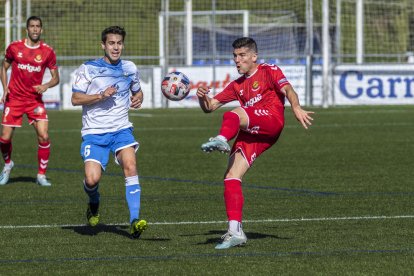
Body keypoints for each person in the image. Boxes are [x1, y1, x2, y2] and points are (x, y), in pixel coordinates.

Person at [197, 37, 314, 249]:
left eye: (242, 56)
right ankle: (235, 231)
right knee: (231, 177)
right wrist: (202, 98)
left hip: (271, 120)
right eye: (235, 56)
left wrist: (295, 106)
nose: (237, 60)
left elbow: (288, 90)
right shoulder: (237, 85)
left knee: (233, 115)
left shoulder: (269, 70)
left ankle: (222, 139)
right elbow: (211, 106)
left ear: (253, 56)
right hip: (254, 132)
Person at [71, 26, 147, 239]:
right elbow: (75, 99)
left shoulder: (130, 68)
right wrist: (100, 96)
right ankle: (93, 202)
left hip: (121, 129)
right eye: (111, 43)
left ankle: (134, 221)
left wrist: (139, 97)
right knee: (92, 180)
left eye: (119, 43)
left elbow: (136, 90)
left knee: (131, 166)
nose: (116, 47)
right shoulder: (88, 68)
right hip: (94, 133)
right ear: (103, 45)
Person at [0, 16, 60, 186]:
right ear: (27, 29)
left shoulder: (48, 51)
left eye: (38, 26)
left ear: (41, 30)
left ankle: (41, 175)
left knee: (44, 136)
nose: (35, 29)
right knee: (4, 139)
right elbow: (3, 68)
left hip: (34, 101)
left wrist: (46, 85)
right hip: (15, 100)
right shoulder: (14, 47)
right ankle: (7, 164)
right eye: (32, 26)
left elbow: (56, 78)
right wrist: (5, 87)